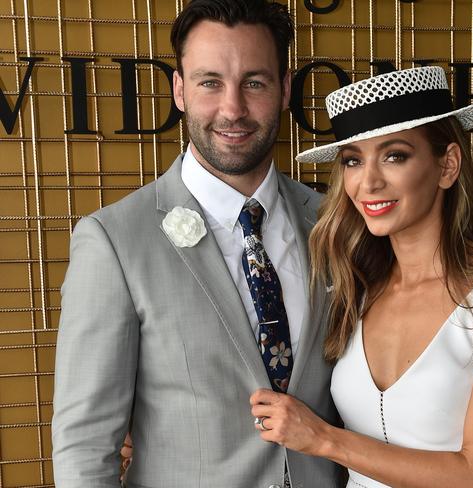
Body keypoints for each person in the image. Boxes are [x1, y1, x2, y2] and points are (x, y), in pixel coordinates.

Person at [52, 1, 342, 487]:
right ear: (180, 90)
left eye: (255, 82)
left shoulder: (334, 222)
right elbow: (85, 443)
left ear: (285, 89)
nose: (233, 109)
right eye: (211, 82)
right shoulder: (114, 241)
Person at [249, 66, 473, 487]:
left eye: (394, 155)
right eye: (353, 160)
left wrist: (324, 440)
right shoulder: (352, 287)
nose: (368, 182)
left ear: (447, 165)